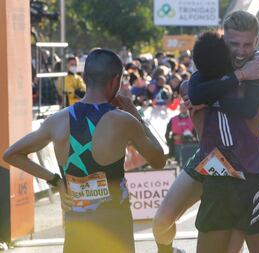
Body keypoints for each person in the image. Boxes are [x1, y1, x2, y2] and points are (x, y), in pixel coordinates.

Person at [3, 49, 166, 253]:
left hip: (77, 232)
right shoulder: (124, 121)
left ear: (84, 77)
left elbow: (11, 154)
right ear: (115, 81)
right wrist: (136, 115)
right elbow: (159, 159)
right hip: (115, 232)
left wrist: (56, 181)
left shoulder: (56, 121)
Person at [153, 30, 259, 253]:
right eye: (234, 44)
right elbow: (193, 94)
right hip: (210, 160)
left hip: (243, 165)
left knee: (232, 243)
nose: (240, 50)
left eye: (246, 45)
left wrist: (256, 91)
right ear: (225, 48)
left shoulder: (256, 74)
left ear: (254, 44)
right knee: (161, 222)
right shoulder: (200, 82)